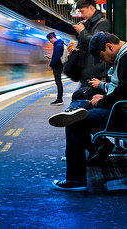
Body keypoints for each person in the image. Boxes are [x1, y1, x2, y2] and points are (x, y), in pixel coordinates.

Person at [48, 32, 127, 191]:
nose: (103, 61)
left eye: (102, 57)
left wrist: (102, 100)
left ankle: (76, 180)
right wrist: (104, 95)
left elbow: (124, 92)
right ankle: (97, 147)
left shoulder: (126, 58)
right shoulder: (122, 56)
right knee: (78, 103)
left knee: (74, 121)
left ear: (109, 47)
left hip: (120, 112)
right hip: (116, 106)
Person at [71, 0, 111, 88]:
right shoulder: (90, 24)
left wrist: (82, 31)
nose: (81, 14)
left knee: (81, 97)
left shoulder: (103, 23)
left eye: (82, 11)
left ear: (91, 8)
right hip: (87, 70)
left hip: (95, 70)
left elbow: (96, 41)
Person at [46, 32, 65, 105]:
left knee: (58, 82)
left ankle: (59, 99)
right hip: (58, 66)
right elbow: (57, 56)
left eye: (50, 40)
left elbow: (57, 58)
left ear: (53, 38)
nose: (50, 41)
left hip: (57, 66)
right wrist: (51, 57)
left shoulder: (58, 45)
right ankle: (59, 98)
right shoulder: (58, 44)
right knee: (58, 82)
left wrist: (51, 64)